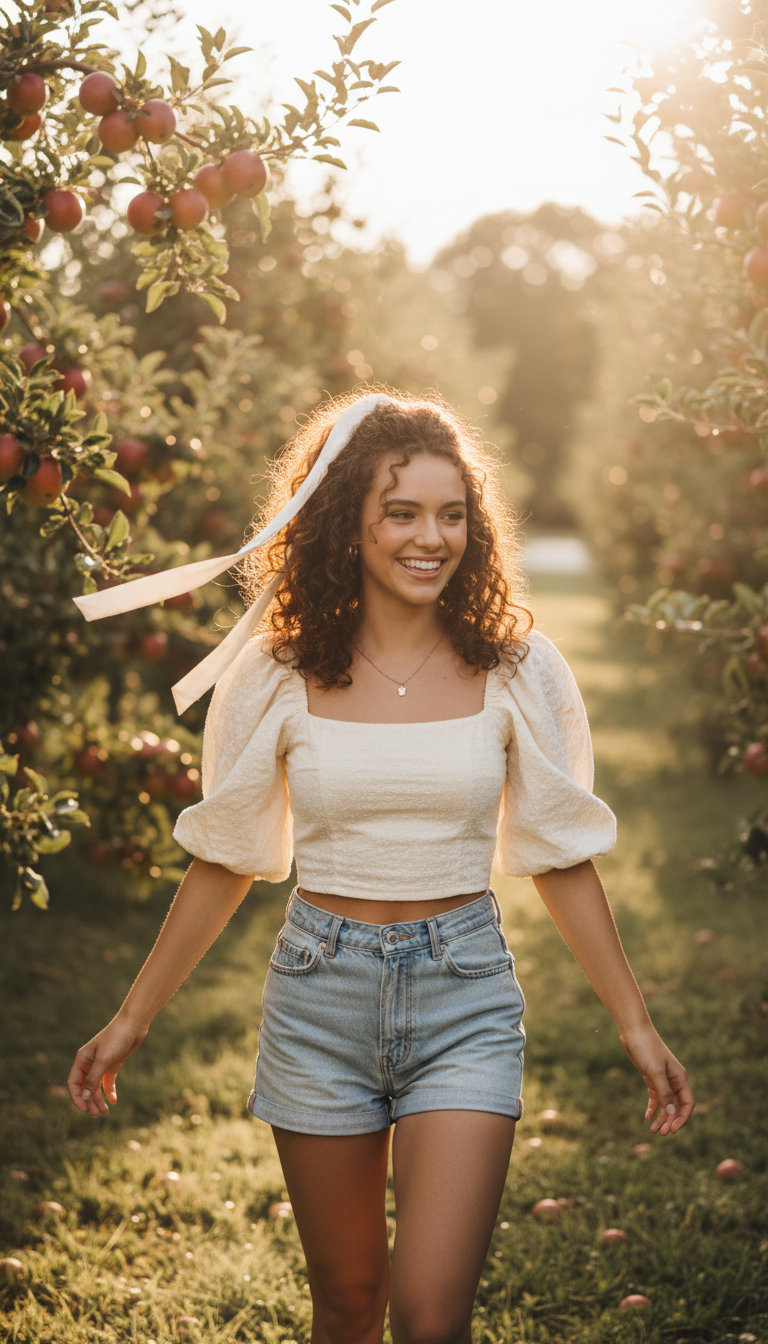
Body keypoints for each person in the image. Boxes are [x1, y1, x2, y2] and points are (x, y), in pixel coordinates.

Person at [68, 389, 695, 1344]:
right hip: (319, 997)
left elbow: (561, 857)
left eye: (452, 514)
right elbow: (226, 859)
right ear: (345, 522)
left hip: (464, 995)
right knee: (350, 1306)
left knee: (433, 1321)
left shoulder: (519, 667)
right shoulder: (276, 671)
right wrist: (130, 1019)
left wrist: (636, 1026)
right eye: (401, 513)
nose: (430, 538)